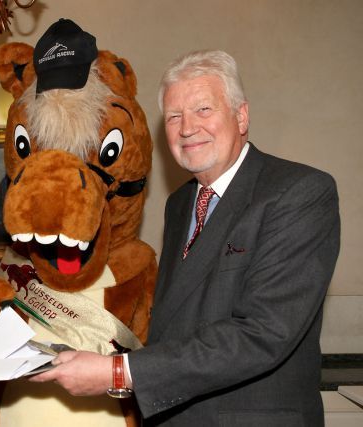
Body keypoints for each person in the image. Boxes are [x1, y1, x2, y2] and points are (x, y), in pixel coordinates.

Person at [31, 50, 340, 426]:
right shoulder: (180, 204)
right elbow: (174, 322)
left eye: (203, 110)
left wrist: (118, 372)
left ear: (241, 116)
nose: (187, 128)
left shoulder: (299, 192)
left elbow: (264, 333)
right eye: (174, 117)